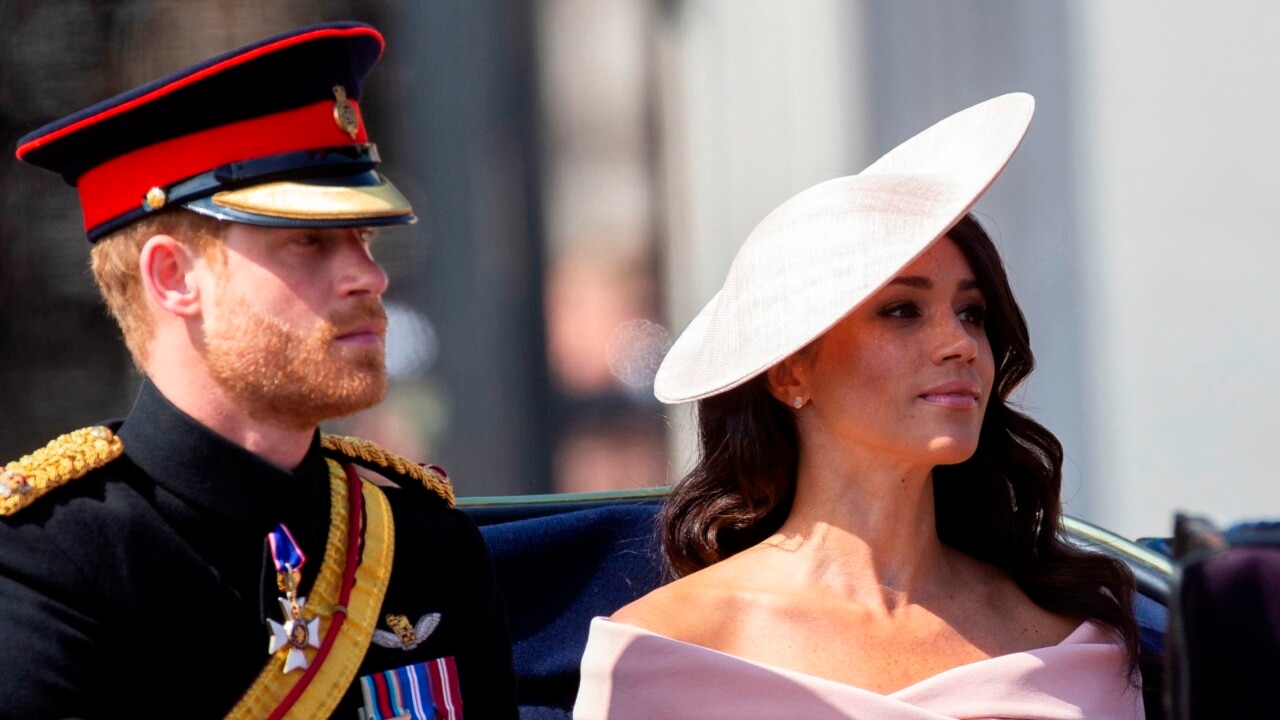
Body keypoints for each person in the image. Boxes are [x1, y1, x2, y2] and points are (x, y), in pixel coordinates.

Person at [0, 22, 517, 719]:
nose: (368, 276)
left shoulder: (424, 542)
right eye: (309, 241)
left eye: (363, 239)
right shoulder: (44, 564)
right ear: (174, 276)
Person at [574, 94, 1143, 719]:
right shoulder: (661, 654)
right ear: (791, 371)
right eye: (903, 311)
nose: (960, 345)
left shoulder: (1076, 641)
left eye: (972, 313)